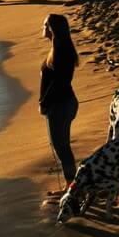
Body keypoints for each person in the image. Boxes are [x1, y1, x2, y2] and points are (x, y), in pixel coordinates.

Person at [39, 14, 80, 183]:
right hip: (64, 103)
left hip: (60, 105)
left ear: (51, 29)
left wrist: (44, 103)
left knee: (62, 148)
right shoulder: (60, 48)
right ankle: (72, 185)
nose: (42, 27)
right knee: (63, 147)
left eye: (44, 25)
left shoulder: (61, 51)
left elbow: (58, 83)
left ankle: (72, 187)